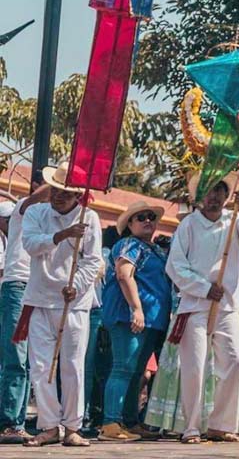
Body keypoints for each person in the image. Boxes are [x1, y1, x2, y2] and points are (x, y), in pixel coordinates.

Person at [165, 173, 239, 443]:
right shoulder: (188, 225)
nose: (213, 198)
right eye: (208, 192)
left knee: (234, 360)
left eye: (218, 192)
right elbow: (175, 266)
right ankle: (191, 426)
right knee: (194, 366)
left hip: (227, 306)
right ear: (199, 196)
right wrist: (203, 287)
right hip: (195, 305)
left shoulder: (233, 222)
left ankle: (221, 425)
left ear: (226, 195)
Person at [16, 163, 103, 447]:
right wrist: (62, 236)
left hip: (73, 304)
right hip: (40, 298)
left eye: (65, 193)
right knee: (41, 367)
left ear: (78, 195)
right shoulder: (36, 213)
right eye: (55, 190)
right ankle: (49, 425)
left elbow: (92, 261)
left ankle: (73, 426)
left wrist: (75, 284)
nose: (58, 196)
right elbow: (30, 244)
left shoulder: (89, 218)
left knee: (72, 366)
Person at [98, 201, 171, 442]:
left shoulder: (155, 249)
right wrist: (136, 308)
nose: (148, 220)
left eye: (151, 216)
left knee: (137, 371)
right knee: (122, 368)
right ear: (129, 224)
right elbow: (123, 274)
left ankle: (130, 421)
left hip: (152, 319)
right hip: (128, 316)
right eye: (140, 217)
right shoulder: (129, 244)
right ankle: (110, 422)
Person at [0, 181, 48, 444]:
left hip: (37, 289)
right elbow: (41, 195)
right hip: (18, 286)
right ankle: (8, 422)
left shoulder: (48, 219)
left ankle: (16, 422)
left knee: (30, 360)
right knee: (16, 357)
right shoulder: (23, 209)